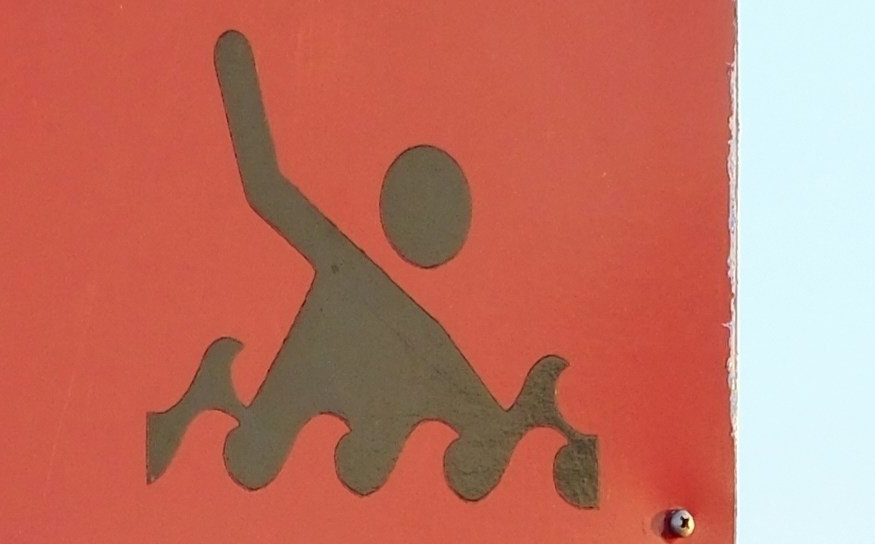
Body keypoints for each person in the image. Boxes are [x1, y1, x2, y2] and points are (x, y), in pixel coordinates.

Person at [146, 33, 598, 505]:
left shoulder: (405, 321)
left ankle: (216, 405)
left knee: (258, 448)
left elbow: (268, 189)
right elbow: (266, 188)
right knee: (258, 449)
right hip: (355, 318)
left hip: (368, 324)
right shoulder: (376, 295)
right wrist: (236, 74)